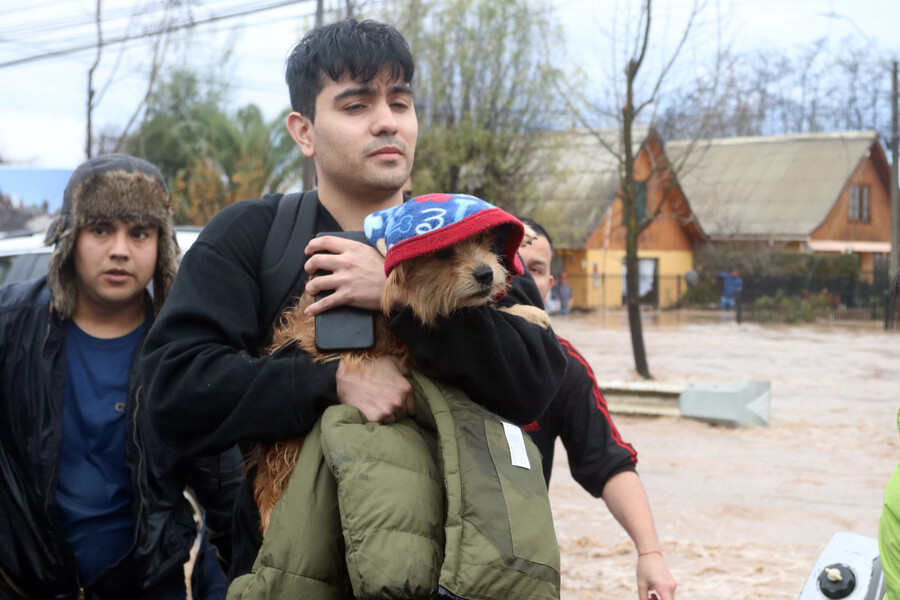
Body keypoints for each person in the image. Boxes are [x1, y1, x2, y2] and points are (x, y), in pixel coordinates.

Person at [140, 18, 566, 579]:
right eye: (356, 105)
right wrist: (331, 380)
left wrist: (397, 299)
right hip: (284, 575)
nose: (387, 121)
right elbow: (171, 391)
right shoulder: (249, 236)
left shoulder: (472, 234)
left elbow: (535, 386)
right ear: (304, 131)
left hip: (449, 575)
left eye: (400, 102)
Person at [0, 154, 242, 600]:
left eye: (139, 233)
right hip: (24, 584)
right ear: (70, 237)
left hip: (149, 585)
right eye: (100, 230)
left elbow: (227, 496)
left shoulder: (183, 349)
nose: (120, 249)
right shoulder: (12, 324)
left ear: (161, 244)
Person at [518, 217, 678, 600]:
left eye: (535, 269)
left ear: (549, 286)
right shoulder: (439, 343)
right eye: (510, 263)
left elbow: (607, 462)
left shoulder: (562, 366)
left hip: (516, 559)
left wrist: (649, 552)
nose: (522, 277)